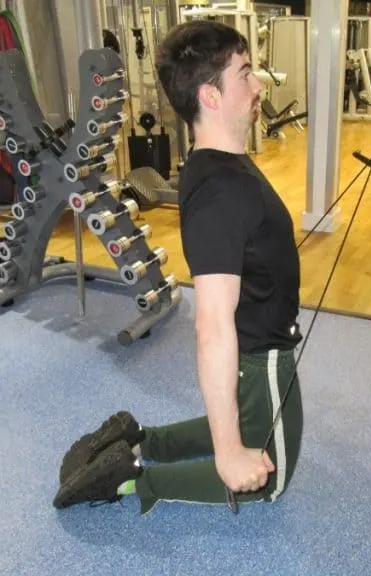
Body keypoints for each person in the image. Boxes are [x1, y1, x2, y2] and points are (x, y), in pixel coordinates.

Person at [53, 20, 304, 514]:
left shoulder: (215, 163)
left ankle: (139, 440)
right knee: (267, 479)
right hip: (261, 355)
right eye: (246, 74)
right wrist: (228, 454)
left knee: (250, 431)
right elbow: (211, 325)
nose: (259, 87)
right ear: (210, 95)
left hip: (258, 346)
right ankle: (127, 483)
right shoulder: (221, 192)